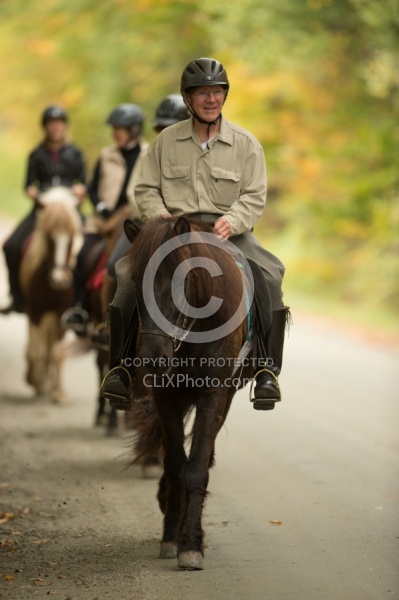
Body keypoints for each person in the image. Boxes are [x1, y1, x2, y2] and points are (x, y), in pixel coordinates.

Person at [101, 58, 289, 411]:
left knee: (270, 274)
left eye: (217, 92)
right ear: (187, 98)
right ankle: (121, 369)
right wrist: (161, 219)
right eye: (203, 93)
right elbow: (145, 188)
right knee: (126, 273)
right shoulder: (164, 142)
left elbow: (254, 194)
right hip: (174, 231)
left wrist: (232, 220)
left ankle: (266, 368)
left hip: (227, 233)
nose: (211, 99)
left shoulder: (247, 144)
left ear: (225, 96)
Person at [92, 93, 190, 346]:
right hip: (151, 223)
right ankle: (113, 334)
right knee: (118, 268)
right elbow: (134, 193)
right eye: (160, 127)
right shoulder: (151, 152)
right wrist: (158, 213)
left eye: (170, 126)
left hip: (189, 225)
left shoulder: (200, 151)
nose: (164, 132)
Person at [62, 103, 148, 334]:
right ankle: (78, 309)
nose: (114, 133)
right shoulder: (106, 154)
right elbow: (91, 188)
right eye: (114, 128)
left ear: (133, 130)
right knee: (81, 256)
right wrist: (101, 206)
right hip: (101, 220)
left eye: (119, 128)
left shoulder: (149, 153)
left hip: (131, 219)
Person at [0, 105, 87, 314]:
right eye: (51, 124)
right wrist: (33, 193)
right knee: (10, 246)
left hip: (68, 210)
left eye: (59, 123)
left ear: (64, 126)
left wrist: (80, 190)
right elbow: (29, 185)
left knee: (90, 248)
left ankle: (80, 302)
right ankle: (16, 296)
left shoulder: (76, 153)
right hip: (43, 209)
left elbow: (84, 183)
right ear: (45, 127)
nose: (55, 127)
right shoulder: (36, 154)